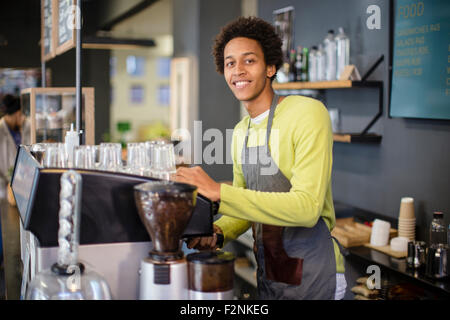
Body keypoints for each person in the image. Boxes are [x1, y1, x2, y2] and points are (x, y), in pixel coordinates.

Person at [175, 16, 346, 300]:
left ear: (270, 67)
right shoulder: (242, 131)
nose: (238, 70)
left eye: (249, 60)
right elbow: (244, 202)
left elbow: (307, 208)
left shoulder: (307, 112)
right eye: (230, 63)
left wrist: (219, 191)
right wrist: (218, 232)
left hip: (315, 279)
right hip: (269, 277)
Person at [0, 94, 30, 200]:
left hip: (25, 185)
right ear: (17, 113)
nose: (24, 117)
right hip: (5, 190)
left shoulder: (25, 126)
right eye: (22, 114)